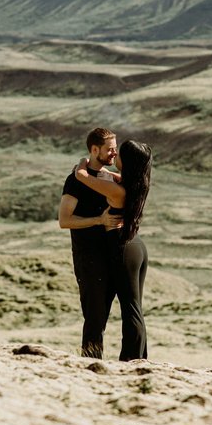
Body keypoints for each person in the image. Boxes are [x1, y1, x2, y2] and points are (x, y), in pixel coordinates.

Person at [73, 139, 152, 361]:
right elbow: (110, 175)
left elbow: (82, 176)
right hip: (136, 246)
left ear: (126, 161)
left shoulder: (118, 191)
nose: (115, 155)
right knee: (134, 307)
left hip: (121, 248)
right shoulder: (136, 183)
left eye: (119, 154)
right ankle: (138, 357)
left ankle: (131, 359)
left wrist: (84, 161)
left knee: (130, 309)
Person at [59, 128, 122, 359]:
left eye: (115, 148)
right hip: (88, 256)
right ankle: (91, 364)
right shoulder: (75, 181)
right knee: (94, 316)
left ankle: (95, 360)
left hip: (110, 255)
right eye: (110, 149)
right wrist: (99, 220)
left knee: (102, 315)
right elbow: (64, 220)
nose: (114, 152)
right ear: (94, 150)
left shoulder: (107, 176)